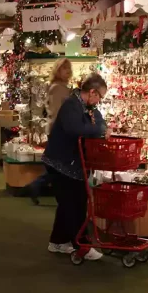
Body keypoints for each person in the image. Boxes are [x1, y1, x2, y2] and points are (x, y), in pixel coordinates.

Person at [43, 73, 108, 261]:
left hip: (70, 163)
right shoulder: (72, 105)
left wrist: (100, 127)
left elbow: (98, 120)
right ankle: (81, 245)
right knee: (75, 204)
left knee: (68, 204)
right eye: (100, 96)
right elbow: (76, 129)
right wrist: (101, 130)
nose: (99, 101)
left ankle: (58, 241)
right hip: (61, 163)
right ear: (92, 92)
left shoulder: (84, 106)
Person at [30, 58, 74, 204]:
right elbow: (55, 112)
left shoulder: (62, 86)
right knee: (57, 165)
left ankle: (38, 186)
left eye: (69, 68)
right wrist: (59, 133)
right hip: (58, 130)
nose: (67, 71)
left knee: (56, 165)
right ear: (57, 70)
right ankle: (38, 185)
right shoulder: (57, 88)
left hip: (59, 130)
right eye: (64, 68)